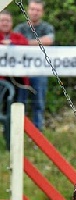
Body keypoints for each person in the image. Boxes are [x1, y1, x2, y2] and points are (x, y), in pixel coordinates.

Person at [14, 0, 55, 131]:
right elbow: (14, 43)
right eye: (32, 9)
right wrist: (36, 42)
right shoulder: (20, 27)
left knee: (39, 104)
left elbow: (48, 40)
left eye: (37, 10)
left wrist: (25, 42)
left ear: (42, 12)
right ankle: (20, 133)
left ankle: (38, 133)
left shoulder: (46, 27)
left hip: (40, 71)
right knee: (20, 103)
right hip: (22, 72)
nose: (35, 12)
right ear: (28, 10)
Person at [0, 9, 29, 150]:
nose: (4, 23)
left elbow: (26, 49)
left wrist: (11, 46)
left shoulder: (18, 37)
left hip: (18, 83)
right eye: (2, 20)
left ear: (12, 23)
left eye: (7, 20)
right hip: (2, 82)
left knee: (17, 112)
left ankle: (14, 141)